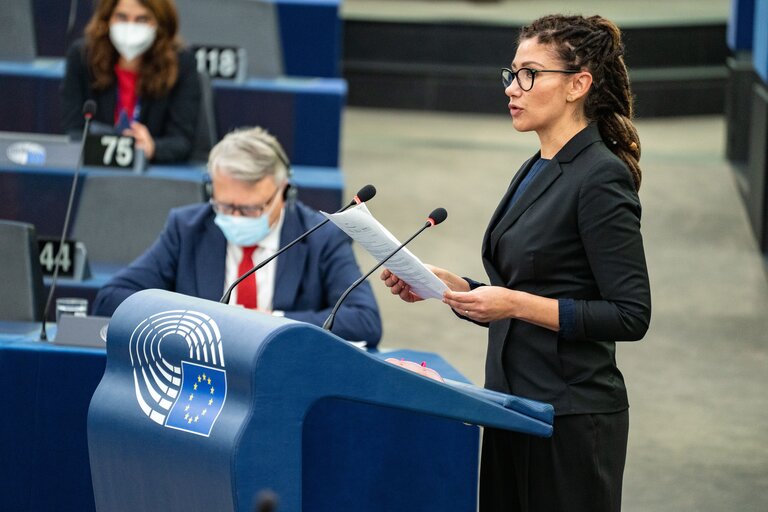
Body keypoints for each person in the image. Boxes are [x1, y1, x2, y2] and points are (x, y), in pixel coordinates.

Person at [381, 14, 651, 512]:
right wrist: (448, 285)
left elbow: (630, 314)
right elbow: (529, 282)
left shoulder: (600, 177)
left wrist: (515, 305)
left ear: (578, 85)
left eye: (530, 73)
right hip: (510, 404)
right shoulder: (537, 165)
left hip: (568, 418)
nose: (513, 88)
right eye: (511, 73)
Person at [93, 127, 382, 346]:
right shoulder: (187, 228)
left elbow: (365, 321)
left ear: (284, 191)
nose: (235, 218)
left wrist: (269, 324)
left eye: (250, 208)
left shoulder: (322, 236)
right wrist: (199, 321)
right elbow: (110, 299)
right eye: (224, 205)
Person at [61, 0, 200, 163]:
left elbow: (181, 141)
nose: (130, 27)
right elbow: (74, 132)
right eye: (121, 17)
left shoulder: (181, 63)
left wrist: (153, 147)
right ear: (107, 19)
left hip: (152, 176)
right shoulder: (82, 57)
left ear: (159, 24)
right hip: (96, 168)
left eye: (142, 19)